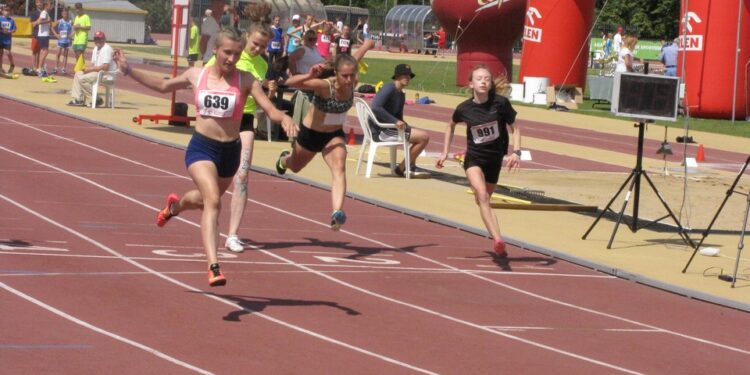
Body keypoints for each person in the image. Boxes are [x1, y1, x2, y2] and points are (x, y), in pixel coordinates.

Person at [113, 27, 297, 286]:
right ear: (215, 51)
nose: (231, 59)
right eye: (227, 53)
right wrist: (128, 70)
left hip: (229, 152)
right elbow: (164, 85)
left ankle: (174, 207)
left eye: (236, 53)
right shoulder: (197, 75)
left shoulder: (246, 80)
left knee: (203, 200)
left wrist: (285, 118)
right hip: (202, 148)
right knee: (213, 201)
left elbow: (270, 109)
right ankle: (214, 266)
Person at [276, 40, 375, 231]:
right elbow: (288, 83)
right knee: (296, 166)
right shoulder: (324, 86)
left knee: (339, 166)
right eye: (344, 76)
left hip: (333, 135)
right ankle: (284, 160)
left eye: (352, 75)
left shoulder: (351, 78)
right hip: (311, 134)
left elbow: (356, 56)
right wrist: (308, 75)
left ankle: (337, 212)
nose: (349, 80)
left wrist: (368, 44)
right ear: (336, 74)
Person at [205, 3, 276, 253]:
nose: (258, 49)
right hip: (219, 119)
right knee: (214, 182)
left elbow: (256, 99)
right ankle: (205, 216)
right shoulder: (232, 54)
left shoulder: (262, 65)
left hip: (244, 121)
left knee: (243, 175)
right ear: (247, 37)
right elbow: (207, 78)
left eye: (264, 47)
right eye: (255, 44)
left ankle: (233, 234)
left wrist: (265, 92)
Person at [436, 65, 521, 257]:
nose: (483, 81)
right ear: (471, 83)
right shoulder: (464, 108)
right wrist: (444, 152)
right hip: (474, 158)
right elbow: (449, 126)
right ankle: (498, 240)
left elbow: (515, 128)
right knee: (482, 195)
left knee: (484, 200)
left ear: (490, 84)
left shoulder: (500, 104)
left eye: (487, 79)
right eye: (479, 78)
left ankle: (498, 242)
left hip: (495, 159)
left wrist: (517, 152)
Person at [369, 64, 431, 178]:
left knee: (419, 134)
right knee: (424, 137)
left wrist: (404, 124)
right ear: (397, 76)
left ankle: (409, 165)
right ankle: (402, 168)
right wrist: (395, 121)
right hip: (381, 130)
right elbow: (375, 107)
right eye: (404, 75)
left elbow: (399, 116)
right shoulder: (388, 88)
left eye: (409, 75)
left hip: (390, 127)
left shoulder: (401, 94)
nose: (407, 77)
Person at [66, 31, 116, 106]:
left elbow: (105, 67)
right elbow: (92, 63)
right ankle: (78, 99)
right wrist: (85, 68)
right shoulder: (96, 48)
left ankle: (97, 99)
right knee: (78, 74)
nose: (97, 41)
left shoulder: (107, 49)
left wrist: (90, 69)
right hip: (98, 72)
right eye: (96, 39)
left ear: (104, 39)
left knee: (82, 79)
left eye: (99, 39)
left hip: (107, 75)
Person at [34, 1, 53, 75]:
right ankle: (39, 68)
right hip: (43, 35)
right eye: (50, 5)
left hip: (43, 34)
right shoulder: (44, 12)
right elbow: (39, 22)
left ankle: (40, 67)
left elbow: (37, 22)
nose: (51, 6)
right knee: (45, 51)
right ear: (46, 6)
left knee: (43, 51)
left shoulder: (45, 12)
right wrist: (48, 21)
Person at [52, 8, 72, 75]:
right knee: (58, 54)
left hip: (67, 40)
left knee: (65, 55)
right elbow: (52, 27)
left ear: (68, 14)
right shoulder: (59, 21)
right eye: (64, 14)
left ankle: (63, 69)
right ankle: (56, 68)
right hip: (60, 40)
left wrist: (71, 35)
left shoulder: (70, 21)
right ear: (62, 14)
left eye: (66, 14)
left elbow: (76, 28)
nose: (65, 15)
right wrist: (56, 35)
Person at [0, 6, 16, 74]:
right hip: (0, 39)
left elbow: (14, 29)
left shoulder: (11, 20)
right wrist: (2, 30)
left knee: (8, 52)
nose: (6, 12)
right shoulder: (0, 19)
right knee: (0, 53)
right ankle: (0, 68)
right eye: (5, 10)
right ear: (2, 11)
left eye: (8, 11)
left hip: (7, 40)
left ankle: (12, 64)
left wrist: (9, 31)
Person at [29, 1, 41, 73]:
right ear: (36, 4)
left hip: (42, 35)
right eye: (38, 2)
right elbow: (33, 24)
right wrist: (39, 21)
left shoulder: (44, 12)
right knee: (34, 51)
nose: (40, 4)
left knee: (39, 52)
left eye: (41, 2)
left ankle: (37, 67)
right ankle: (34, 67)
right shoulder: (34, 13)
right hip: (35, 34)